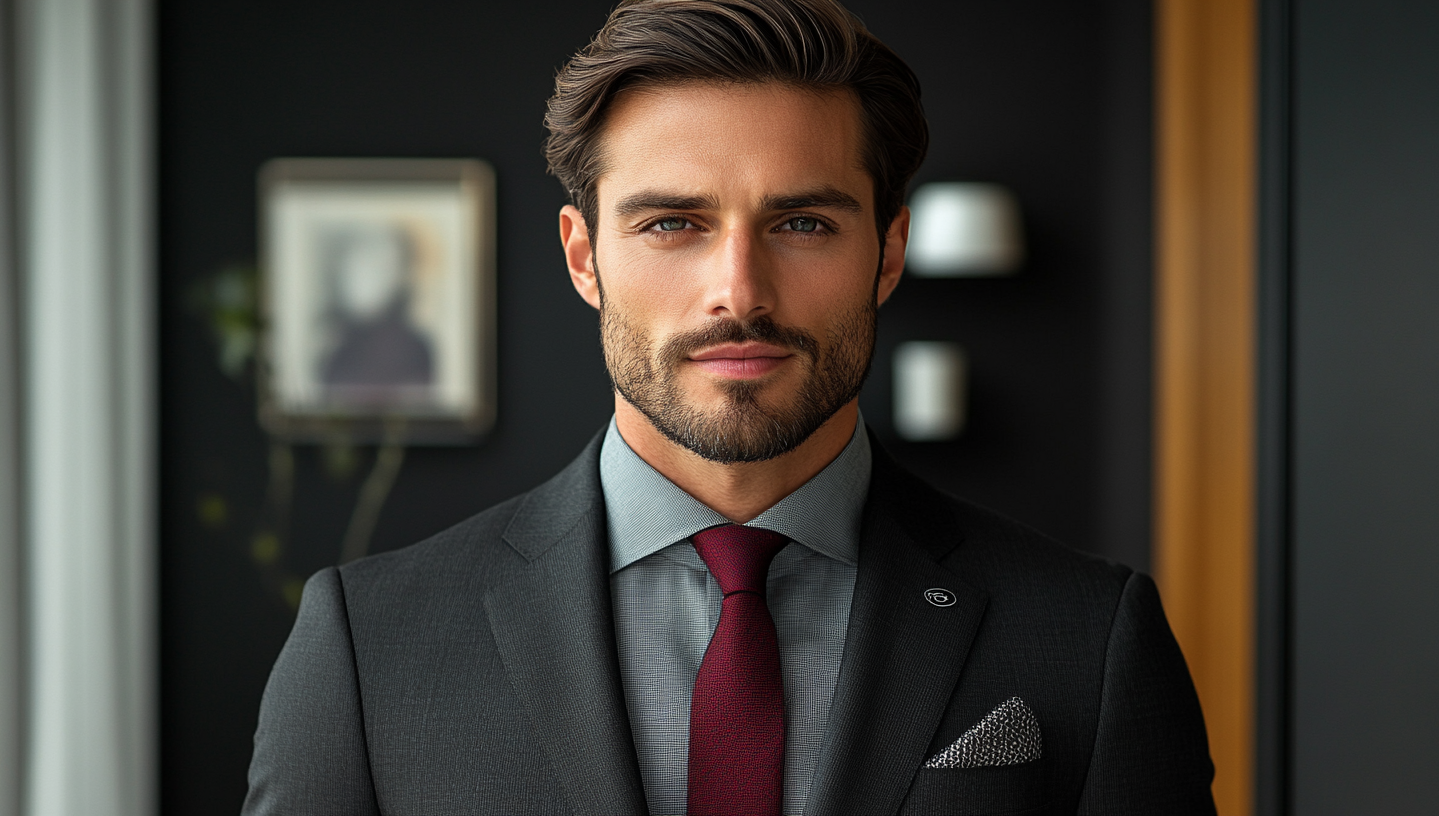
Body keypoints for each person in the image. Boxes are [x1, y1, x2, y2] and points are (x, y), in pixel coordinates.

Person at [243, 0, 1216, 813]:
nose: (738, 291)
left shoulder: (1091, 636)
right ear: (585, 257)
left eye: (801, 222)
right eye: (672, 223)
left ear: (886, 251)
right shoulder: (371, 643)